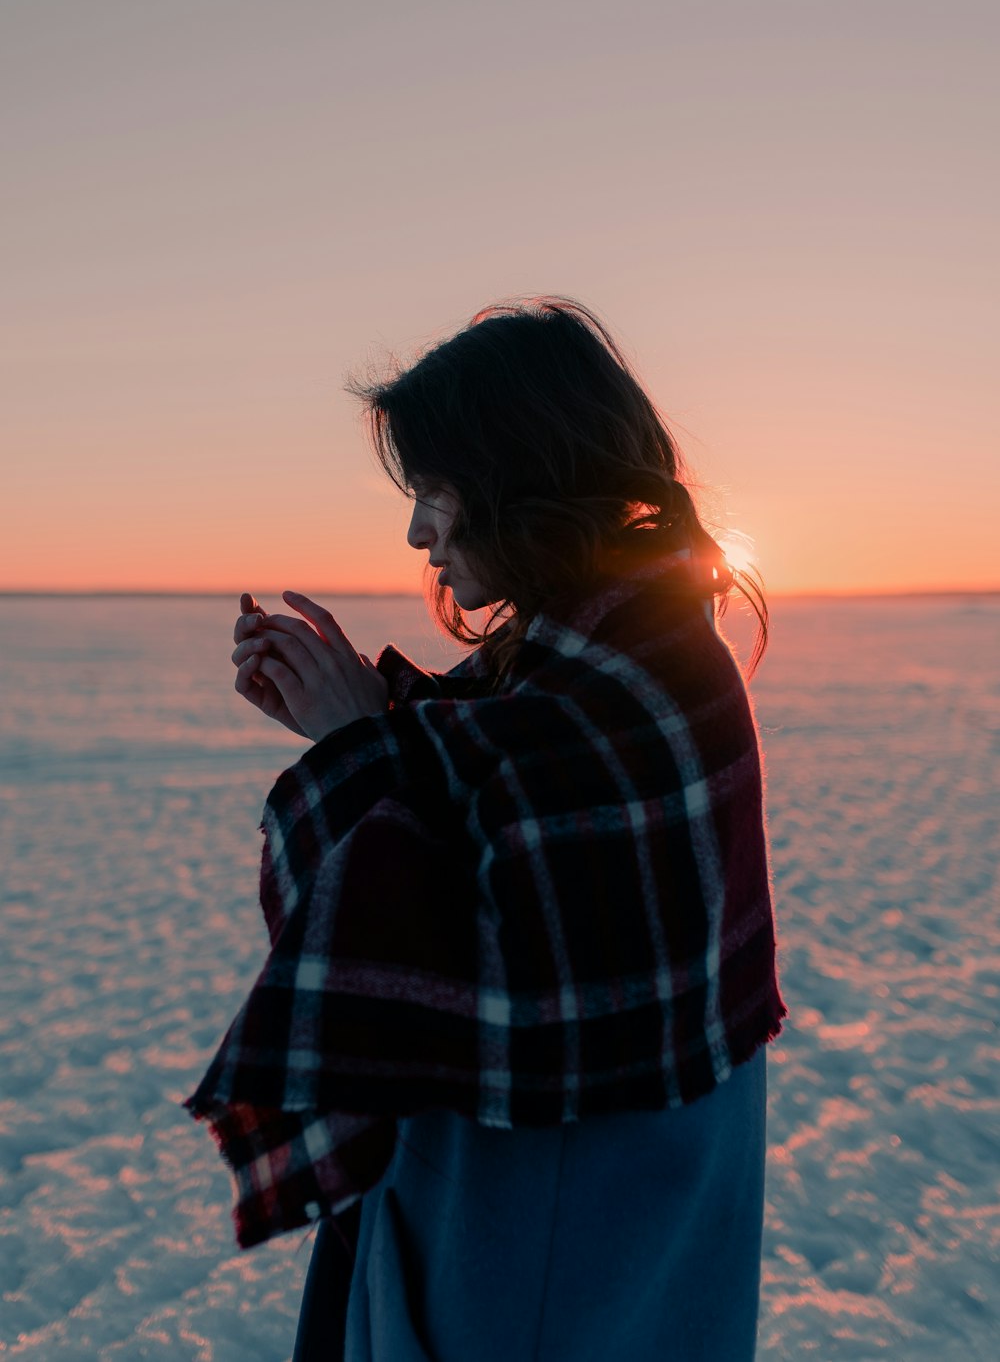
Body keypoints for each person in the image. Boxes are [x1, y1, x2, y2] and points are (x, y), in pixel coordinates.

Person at [184, 296, 787, 1361]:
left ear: (519, 480)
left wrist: (351, 747)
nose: (419, 531)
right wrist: (355, 718)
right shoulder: (610, 647)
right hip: (590, 1168)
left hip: (566, 1198)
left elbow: (410, 915)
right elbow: (485, 772)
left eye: (433, 492)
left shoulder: (631, 687)